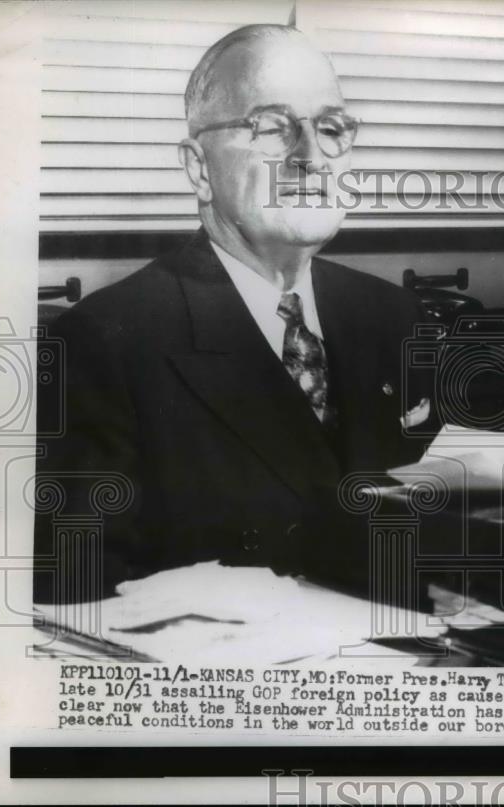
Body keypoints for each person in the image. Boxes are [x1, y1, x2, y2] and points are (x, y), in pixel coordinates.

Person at [33, 25, 445, 603]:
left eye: (330, 128)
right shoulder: (101, 345)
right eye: (272, 128)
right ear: (199, 169)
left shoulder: (394, 315)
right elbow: (77, 595)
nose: (309, 157)